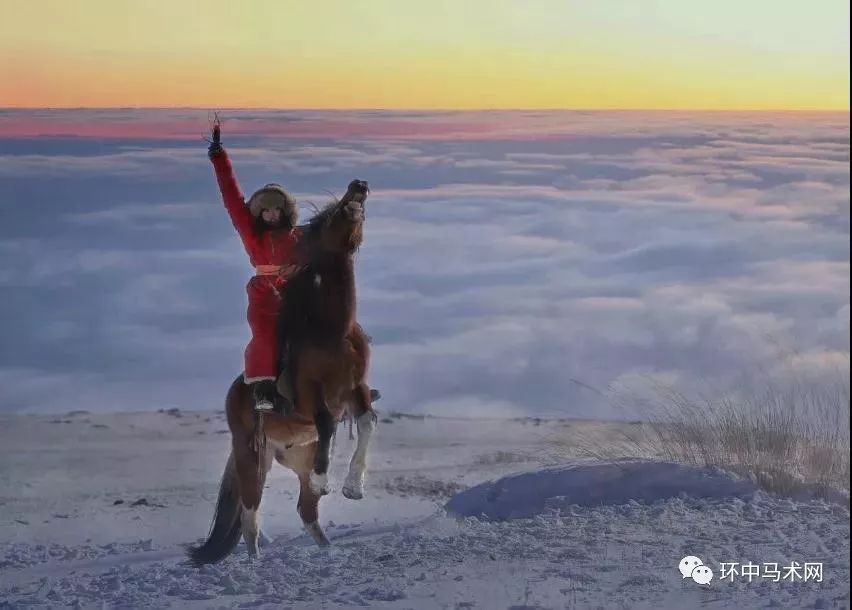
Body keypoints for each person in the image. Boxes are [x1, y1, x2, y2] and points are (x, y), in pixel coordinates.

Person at [207, 123, 300, 412]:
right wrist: (219, 159)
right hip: (264, 294)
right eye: (266, 210)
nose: (272, 214)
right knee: (266, 336)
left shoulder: (298, 236)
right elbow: (232, 199)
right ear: (259, 212)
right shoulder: (251, 233)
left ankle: (349, 386)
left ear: (285, 212)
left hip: (297, 290)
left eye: (277, 209)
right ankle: (263, 389)